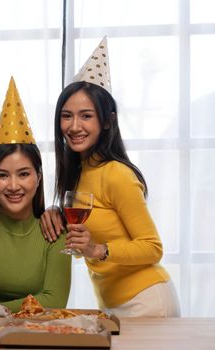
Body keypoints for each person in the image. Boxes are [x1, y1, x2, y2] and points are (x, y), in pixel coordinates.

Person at [40, 37, 180, 317]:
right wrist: (58, 213)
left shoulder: (116, 174)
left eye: (86, 116)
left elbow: (153, 248)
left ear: (107, 121)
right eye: (66, 116)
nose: (74, 126)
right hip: (112, 304)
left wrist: (98, 249)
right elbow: (84, 245)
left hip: (147, 302)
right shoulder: (79, 173)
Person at [0, 77, 71, 312]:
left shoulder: (55, 227)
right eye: (2, 175)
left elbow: (55, 300)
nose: (14, 186)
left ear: (38, 177)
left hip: (35, 334)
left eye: (24, 174)